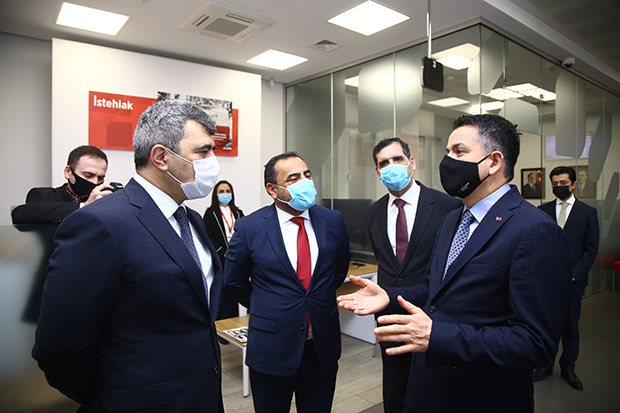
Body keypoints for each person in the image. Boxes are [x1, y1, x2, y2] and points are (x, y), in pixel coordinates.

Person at [338, 114, 571, 413]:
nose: (447, 161)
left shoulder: (535, 230)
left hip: (481, 397)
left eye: (459, 152)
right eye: (447, 152)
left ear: (494, 162)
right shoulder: (453, 220)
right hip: (431, 387)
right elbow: (436, 289)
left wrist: (437, 337)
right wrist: (390, 296)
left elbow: (536, 343)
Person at [32, 100, 225, 412]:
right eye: (203, 152)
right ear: (161, 157)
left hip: (201, 395)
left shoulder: (191, 220)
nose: (212, 162)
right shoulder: (99, 223)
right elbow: (60, 345)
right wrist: (111, 393)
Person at [224, 152, 350, 413]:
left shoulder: (333, 220)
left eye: (307, 175)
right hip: (272, 347)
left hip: (320, 346)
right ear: (272, 189)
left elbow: (337, 272)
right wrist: (268, 305)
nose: (305, 182)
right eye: (293, 178)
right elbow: (234, 281)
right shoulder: (249, 227)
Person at [366, 137, 461, 413]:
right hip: (390, 316)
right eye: (384, 163)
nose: (391, 166)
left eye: (397, 159)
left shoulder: (447, 206)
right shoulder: (372, 213)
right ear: (378, 172)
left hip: (433, 315)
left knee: (434, 392)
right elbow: (386, 262)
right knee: (394, 387)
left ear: (412, 163)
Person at [534, 166, 599, 390]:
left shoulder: (587, 213)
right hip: (548, 282)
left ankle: (568, 368)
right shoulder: (543, 210)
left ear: (573, 184)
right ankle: (545, 364)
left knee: (570, 326)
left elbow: (591, 249)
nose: (559, 187)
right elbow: (539, 244)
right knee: (547, 324)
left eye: (563, 183)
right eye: (555, 183)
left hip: (573, 282)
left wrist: (574, 275)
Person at [11, 145, 114, 224]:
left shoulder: (104, 200)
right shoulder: (44, 195)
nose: (95, 182)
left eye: (100, 178)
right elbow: (20, 214)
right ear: (68, 172)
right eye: (88, 175)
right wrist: (84, 206)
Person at [203, 180, 244, 321]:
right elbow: (208, 235)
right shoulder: (211, 213)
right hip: (221, 259)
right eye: (221, 191)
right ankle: (221, 324)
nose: (225, 194)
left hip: (236, 259)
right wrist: (222, 252)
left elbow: (244, 233)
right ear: (216, 195)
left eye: (228, 191)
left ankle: (234, 322)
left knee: (234, 292)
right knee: (222, 294)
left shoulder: (238, 213)